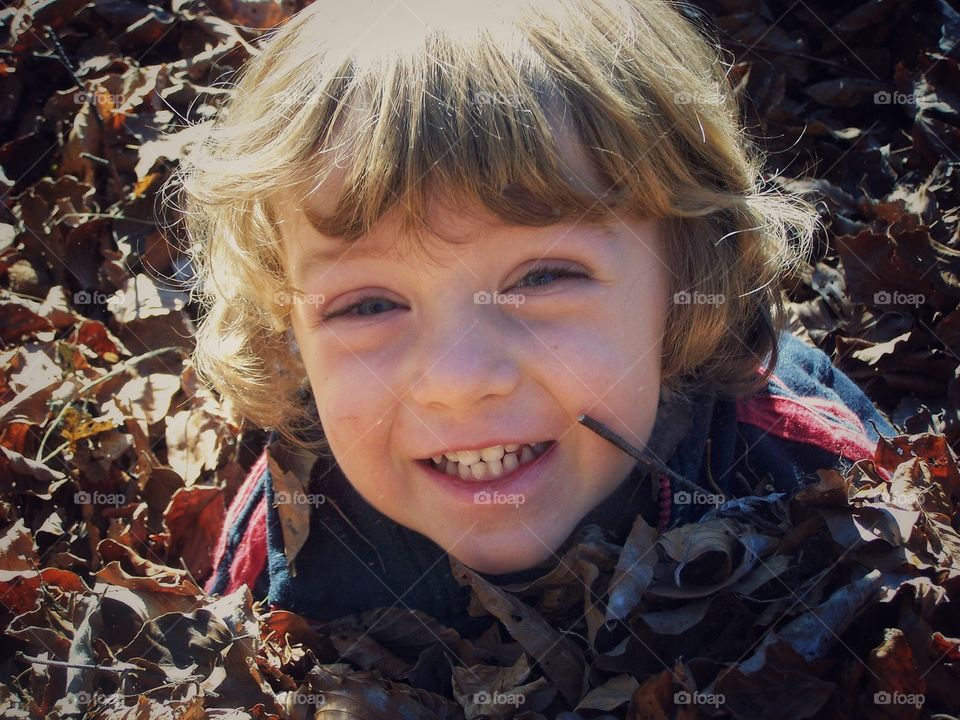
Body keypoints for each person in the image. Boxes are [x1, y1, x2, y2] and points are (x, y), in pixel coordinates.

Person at [172, 0, 896, 635]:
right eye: (369, 305)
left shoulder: (806, 473)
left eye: (544, 276)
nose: (458, 381)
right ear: (289, 329)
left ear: (684, 276)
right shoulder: (294, 526)